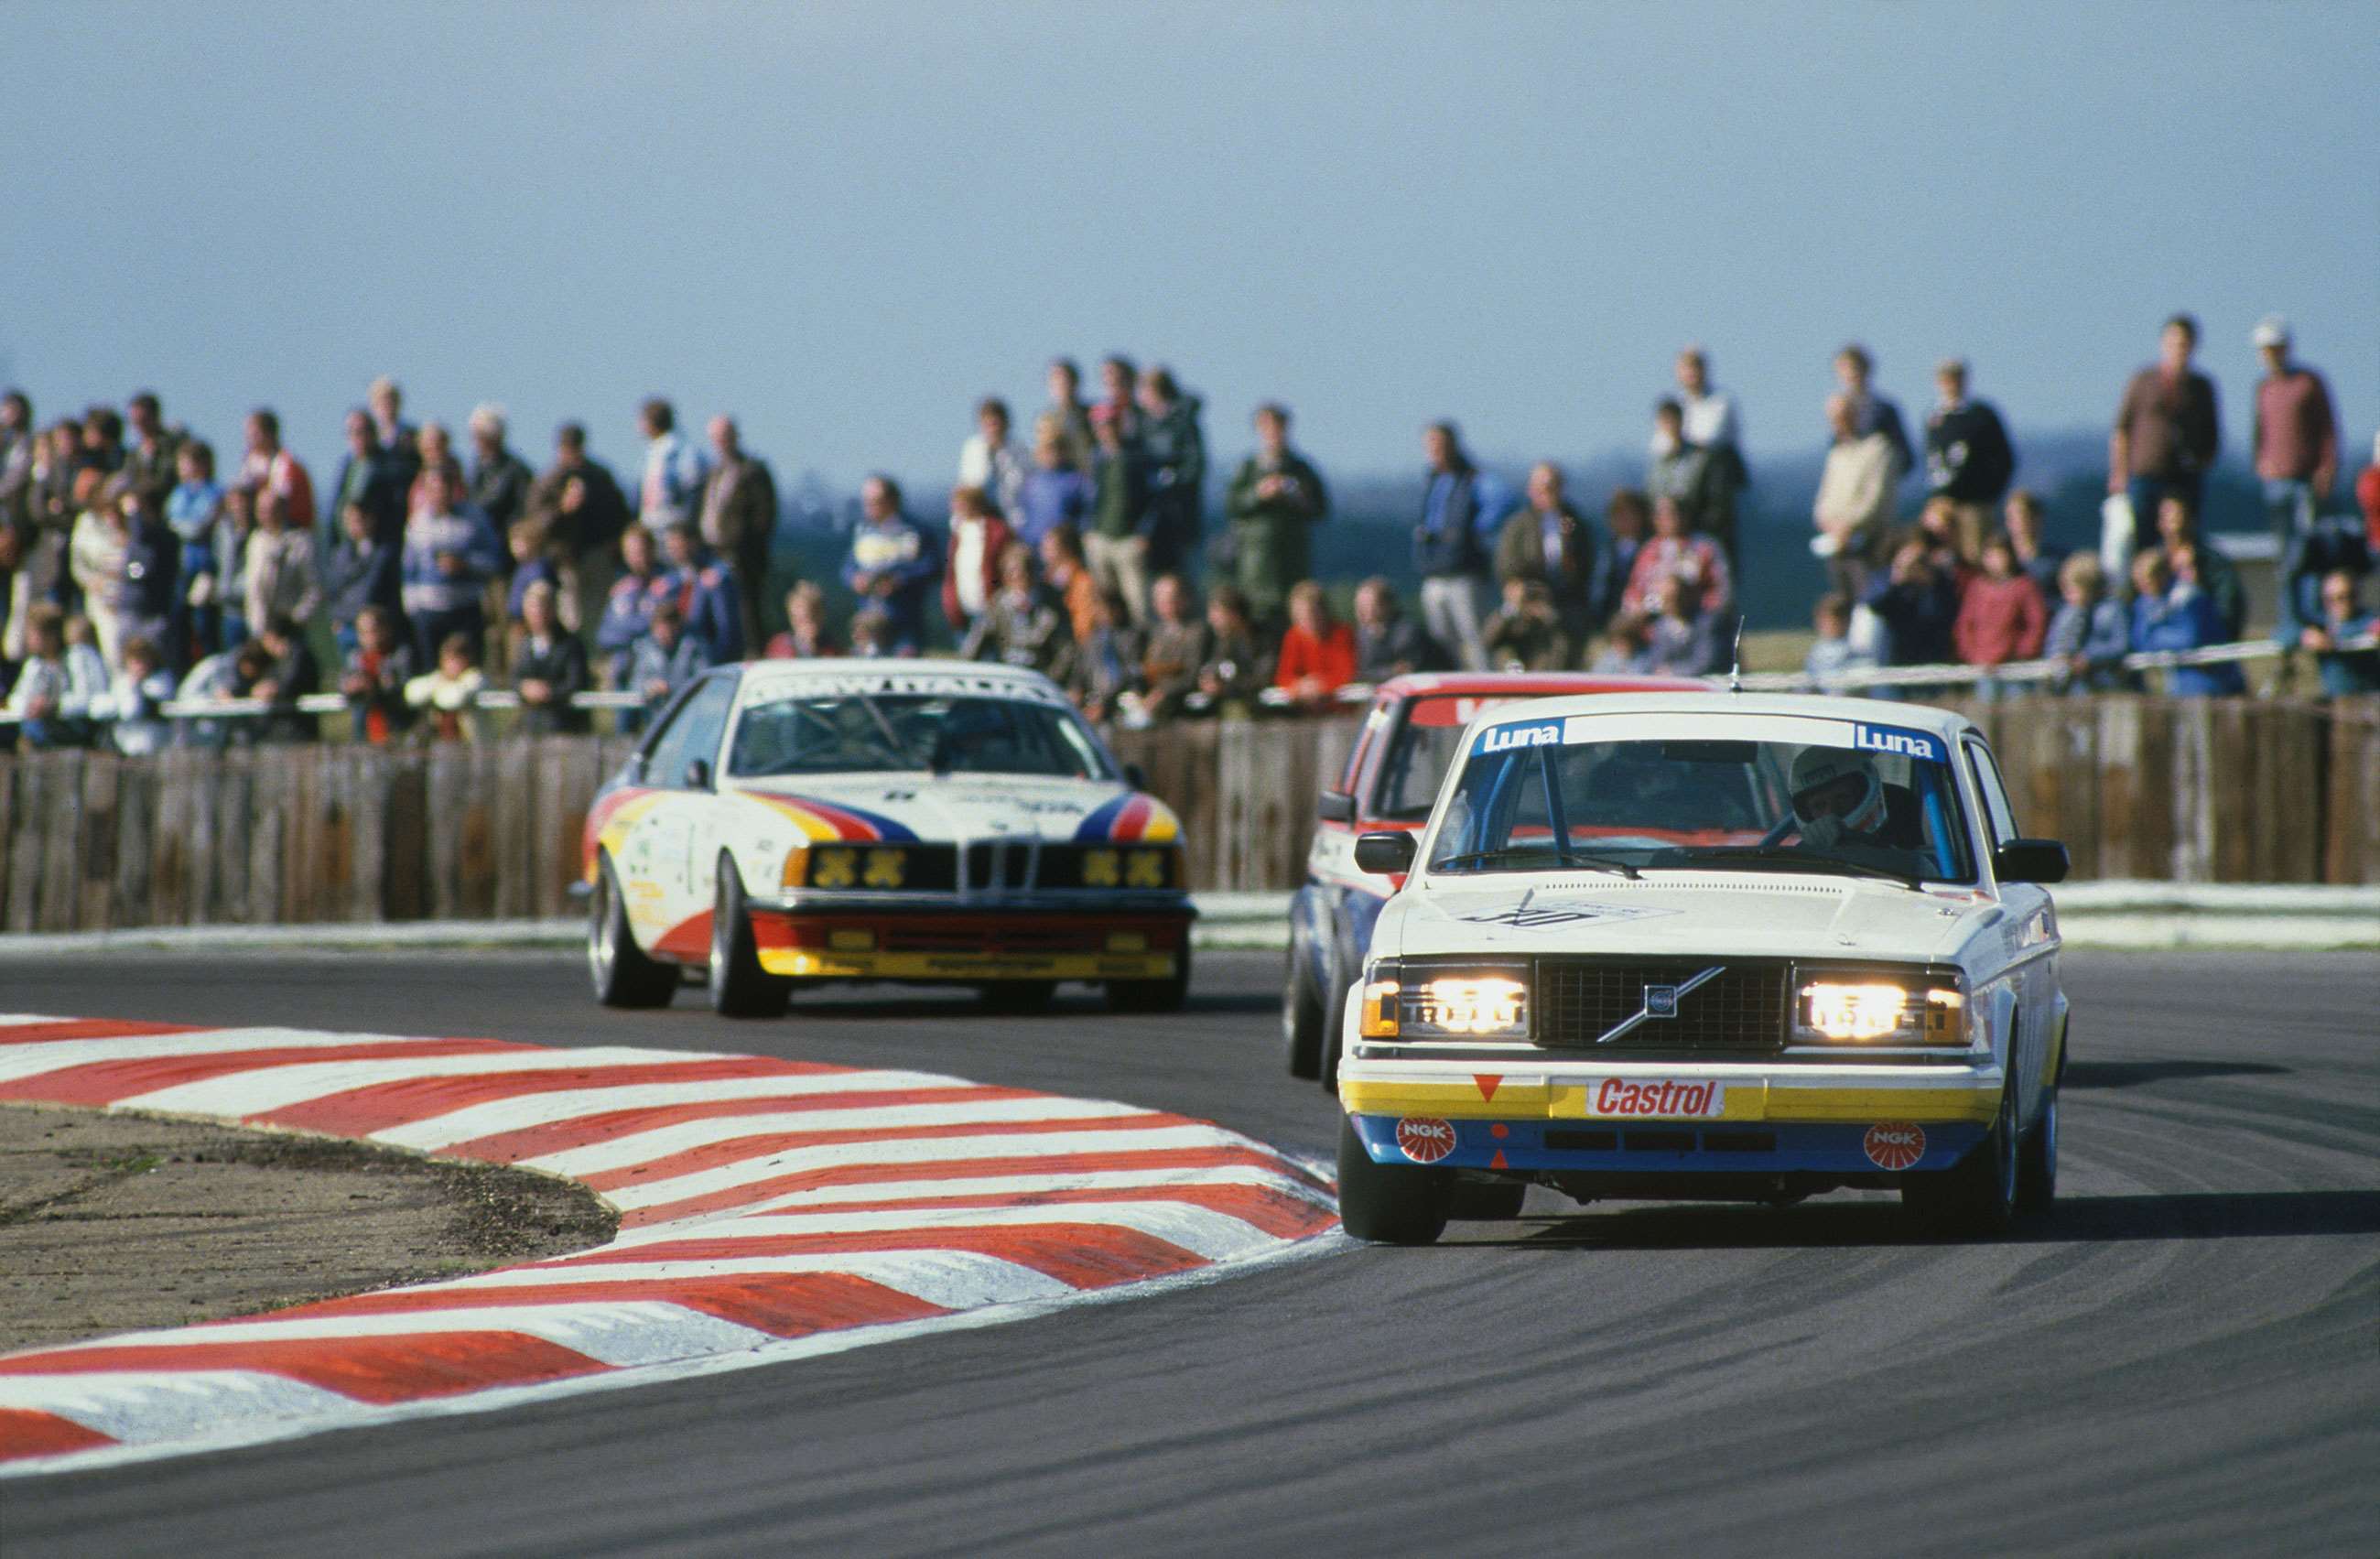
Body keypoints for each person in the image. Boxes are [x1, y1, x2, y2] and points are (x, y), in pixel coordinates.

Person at [2110, 314, 2220, 551]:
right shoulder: (2143, 380)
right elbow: (2122, 428)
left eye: (2184, 344)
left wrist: (2204, 461)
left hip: (2185, 475)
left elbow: (2212, 430)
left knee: (2186, 538)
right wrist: (2119, 472)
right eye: (2174, 343)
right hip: (2145, 474)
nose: (2178, 349)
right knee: (2141, 537)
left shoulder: (2201, 386)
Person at [1412, 421, 1515, 672]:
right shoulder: (1433, 481)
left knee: (1477, 637)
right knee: (1443, 642)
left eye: (1439, 445)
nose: (1434, 451)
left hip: (1464, 573)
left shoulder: (1473, 479)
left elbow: (1505, 499)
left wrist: (1474, 529)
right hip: (1435, 571)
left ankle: (1487, 686)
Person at [1222, 402, 1329, 629]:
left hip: (1292, 556)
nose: (1274, 433)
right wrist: (1259, 494)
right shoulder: (1248, 468)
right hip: (1256, 560)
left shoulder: (1301, 468)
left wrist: (1298, 496)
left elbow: (1320, 509)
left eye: (1278, 427)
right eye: (1267, 427)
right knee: (1258, 617)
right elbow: (1231, 505)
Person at [526, 421, 633, 631]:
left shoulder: (599, 476)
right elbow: (536, 524)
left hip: (599, 556)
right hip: (566, 561)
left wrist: (614, 543)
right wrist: (563, 508)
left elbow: (620, 512)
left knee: (601, 617)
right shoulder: (548, 480)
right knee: (573, 619)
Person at [2248, 315, 2339, 547]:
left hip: (2305, 478)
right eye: (2266, 350)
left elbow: (2327, 428)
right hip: (2275, 479)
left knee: (2308, 542)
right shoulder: (2264, 388)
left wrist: (2326, 468)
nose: (2271, 355)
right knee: (2282, 544)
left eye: (2276, 348)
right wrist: (2260, 462)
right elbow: (2259, 431)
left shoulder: (2308, 383)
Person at [399, 464, 502, 667]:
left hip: (466, 608)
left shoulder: (475, 519)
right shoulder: (417, 524)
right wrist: (414, 610)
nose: (440, 494)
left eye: (444, 488)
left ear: (453, 488)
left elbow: (495, 561)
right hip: (429, 612)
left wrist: (466, 564)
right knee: (431, 672)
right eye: (434, 489)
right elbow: (409, 571)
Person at [1496, 461, 1596, 653]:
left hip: (1567, 601)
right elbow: (1507, 567)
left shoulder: (1575, 523)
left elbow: (1584, 568)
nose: (1547, 493)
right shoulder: (1518, 526)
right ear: (1531, 490)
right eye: (1542, 488)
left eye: (1552, 487)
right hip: (1527, 597)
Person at [1923, 360, 2018, 564]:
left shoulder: (1980, 415)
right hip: (1943, 502)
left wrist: (1989, 494)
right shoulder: (1934, 417)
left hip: (1976, 503)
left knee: (1975, 556)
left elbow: (2004, 458)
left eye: (1955, 378)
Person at [698, 416, 777, 641]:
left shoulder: (752, 471)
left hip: (743, 556)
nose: (721, 442)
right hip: (711, 552)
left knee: (747, 610)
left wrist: (741, 545)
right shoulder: (713, 472)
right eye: (716, 438)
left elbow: (764, 516)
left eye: (725, 436)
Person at [840, 475, 939, 654]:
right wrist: (855, 579)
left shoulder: (916, 532)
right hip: (869, 621)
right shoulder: (863, 531)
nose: (868, 507)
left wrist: (900, 580)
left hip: (905, 620)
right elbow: (847, 568)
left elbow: (932, 567)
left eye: (875, 501)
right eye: (866, 501)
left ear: (893, 500)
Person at [1812, 391, 1897, 599]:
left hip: (1869, 542)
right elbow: (1824, 498)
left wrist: (1849, 525)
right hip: (1836, 543)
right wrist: (1828, 522)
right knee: (1843, 599)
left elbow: (1876, 498)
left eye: (1843, 416)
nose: (1838, 423)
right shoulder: (1837, 453)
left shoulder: (1878, 448)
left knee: (1870, 601)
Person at [2130, 548, 2243, 697]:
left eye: (2147, 582)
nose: (2144, 589)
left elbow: (2188, 640)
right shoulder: (2146, 601)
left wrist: (2154, 637)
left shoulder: (2187, 597)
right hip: (2178, 683)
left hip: (2211, 680)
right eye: (2139, 584)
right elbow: (2139, 641)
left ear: (2163, 575)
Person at [1953, 532, 2050, 698]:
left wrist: (2023, 652)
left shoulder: (2024, 586)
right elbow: (1965, 624)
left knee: (2017, 712)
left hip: (2014, 668)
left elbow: (2037, 622)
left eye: (2000, 555)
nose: (1996, 561)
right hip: (1983, 667)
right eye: (1990, 556)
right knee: (1984, 712)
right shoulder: (1977, 587)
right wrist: (1973, 655)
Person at [1669, 346, 1747, 549]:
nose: (1691, 374)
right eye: (1686, 368)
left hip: (1714, 487)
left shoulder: (1721, 401)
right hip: (1683, 487)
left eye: (1695, 367)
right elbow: (1661, 444)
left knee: (1717, 543)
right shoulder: (1676, 403)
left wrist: (1680, 438)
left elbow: (1711, 438)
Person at [1084, 405, 1152, 625]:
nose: (1107, 430)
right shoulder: (1096, 459)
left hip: (1130, 538)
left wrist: (1145, 531)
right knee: (1105, 602)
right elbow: (1090, 498)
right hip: (1100, 537)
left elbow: (1153, 497)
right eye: (1101, 426)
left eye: (1111, 424)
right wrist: (1088, 530)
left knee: (1137, 604)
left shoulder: (1137, 456)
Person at [960, 541, 1068, 677]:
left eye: (1023, 576)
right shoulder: (998, 605)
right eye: (1012, 576)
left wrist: (1050, 679)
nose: (1019, 582)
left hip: (1041, 677)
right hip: (1009, 677)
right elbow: (974, 645)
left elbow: (1065, 651)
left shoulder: (1050, 607)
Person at [5, 605, 107, 749]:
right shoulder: (34, 664)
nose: (29, 640)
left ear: (52, 636)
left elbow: (87, 700)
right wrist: (31, 705)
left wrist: (53, 706)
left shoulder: (77, 658)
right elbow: (18, 698)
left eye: (34, 634)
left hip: (77, 727)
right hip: (44, 728)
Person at [1136, 366, 1206, 570]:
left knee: (1183, 573)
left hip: (1179, 514)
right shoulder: (1143, 425)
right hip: (1152, 517)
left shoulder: (1183, 423)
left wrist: (1173, 478)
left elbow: (1196, 464)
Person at [1622, 495, 1732, 620]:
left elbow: (1722, 592)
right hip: (1653, 621)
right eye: (1661, 514)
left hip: (1697, 618)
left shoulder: (1705, 547)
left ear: (1685, 515)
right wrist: (1644, 608)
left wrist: (1692, 603)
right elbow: (1634, 591)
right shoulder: (1648, 551)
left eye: (1672, 513)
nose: (1667, 519)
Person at [2154, 493, 2245, 641]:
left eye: (2178, 515)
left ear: (2190, 520)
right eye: (2167, 516)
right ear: (2159, 523)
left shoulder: (2212, 562)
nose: (2174, 521)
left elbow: (2229, 605)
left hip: (2205, 637)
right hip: (2164, 638)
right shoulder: (2153, 562)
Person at [1864, 535, 1959, 672]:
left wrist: (1929, 584)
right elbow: (1875, 605)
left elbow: (1943, 614)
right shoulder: (1884, 578)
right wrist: (1897, 580)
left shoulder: (1938, 581)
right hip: (1893, 657)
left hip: (1929, 657)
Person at [2043, 553, 2135, 694]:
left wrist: (2090, 657)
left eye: (2073, 590)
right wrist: (2061, 656)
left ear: (2090, 586)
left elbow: (2120, 645)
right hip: (2075, 689)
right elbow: (2053, 642)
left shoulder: (2112, 610)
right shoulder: (2066, 614)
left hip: (2107, 684)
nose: (2068, 596)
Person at [113, 481, 180, 668]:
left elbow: (139, 571)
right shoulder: (137, 537)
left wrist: (133, 512)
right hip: (131, 611)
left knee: (156, 671)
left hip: (152, 616)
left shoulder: (162, 537)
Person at [243, 483, 320, 647]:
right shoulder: (256, 541)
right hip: (261, 627)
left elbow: (314, 586)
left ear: (283, 510)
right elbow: (252, 588)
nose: (267, 515)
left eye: (272, 509)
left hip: (291, 627)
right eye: (262, 510)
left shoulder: (301, 541)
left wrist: (298, 618)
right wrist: (260, 630)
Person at [596, 525, 672, 686]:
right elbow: (604, 635)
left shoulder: (668, 583)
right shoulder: (622, 589)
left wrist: (628, 628)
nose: (638, 558)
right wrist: (639, 629)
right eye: (631, 553)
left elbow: (662, 628)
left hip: (658, 671)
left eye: (641, 551)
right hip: (624, 668)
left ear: (652, 550)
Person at [512, 579, 590, 734]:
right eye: (532, 608)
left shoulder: (571, 644)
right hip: (532, 727)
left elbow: (576, 681)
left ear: (553, 609)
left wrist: (548, 692)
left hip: (565, 727)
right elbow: (514, 677)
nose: (537, 613)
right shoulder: (525, 644)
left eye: (543, 607)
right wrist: (525, 688)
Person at [1131, 572, 1213, 722]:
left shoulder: (1198, 632)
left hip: (1182, 707)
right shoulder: (1152, 633)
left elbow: (1192, 674)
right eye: (1160, 598)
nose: (1165, 603)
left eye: (1171, 598)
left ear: (1185, 599)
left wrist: (1161, 693)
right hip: (1150, 705)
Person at [68, 471, 128, 665]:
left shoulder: (120, 519)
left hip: (121, 594)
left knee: (117, 648)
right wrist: (89, 581)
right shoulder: (84, 522)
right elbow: (77, 563)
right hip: (95, 594)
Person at [941, 484, 1014, 639]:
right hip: (963, 608)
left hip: (990, 607)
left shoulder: (997, 532)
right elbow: (951, 573)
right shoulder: (959, 533)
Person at [1013, 414, 1094, 553]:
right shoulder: (1031, 483)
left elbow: (1087, 516)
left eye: (1057, 448)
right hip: (1036, 553)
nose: (1052, 453)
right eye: (1047, 448)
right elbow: (1024, 518)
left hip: (1067, 553)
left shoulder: (1077, 481)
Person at [1646, 398, 1721, 547]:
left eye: (1673, 420)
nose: (1670, 425)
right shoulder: (1658, 463)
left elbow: (1714, 500)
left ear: (1682, 421)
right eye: (1665, 421)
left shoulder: (1701, 458)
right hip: (1665, 536)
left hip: (1697, 533)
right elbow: (1652, 496)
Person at [2292, 569, 2380, 697]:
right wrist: (2304, 635)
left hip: (2371, 699)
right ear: (2325, 600)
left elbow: (2367, 626)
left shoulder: (2367, 618)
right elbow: (2287, 635)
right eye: (2333, 599)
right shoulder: (2320, 623)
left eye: (2348, 596)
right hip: (2336, 703)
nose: (2342, 603)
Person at [328, 406, 408, 546]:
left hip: (379, 546)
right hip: (347, 547)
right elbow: (337, 505)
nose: (357, 437)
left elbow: (396, 508)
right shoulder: (347, 466)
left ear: (374, 433)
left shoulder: (389, 466)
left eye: (361, 431)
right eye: (351, 432)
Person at [338, 604, 416, 743]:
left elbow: (404, 689)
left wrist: (375, 686)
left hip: (397, 730)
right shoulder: (355, 658)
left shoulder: (400, 656)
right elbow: (343, 685)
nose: (369, 637)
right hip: (366, 732)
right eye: (363, 632)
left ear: (386, 630)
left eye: (373, 631)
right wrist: (351, 687)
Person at [1272, 579, 1356, 707]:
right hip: (1304, 712)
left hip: (1341, 710)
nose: (1307, 620)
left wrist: (1319, 685)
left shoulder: (1342, 634)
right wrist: (1300, 686)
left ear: (1324, 611)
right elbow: (1284, 677)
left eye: (1312, 613)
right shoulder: (1293, 637)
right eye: (1301, 616)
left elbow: (1348, 674)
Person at [1834, 344, 1912, 476]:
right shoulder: (1838, 410)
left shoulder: (1885, 410)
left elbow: (1906, 457)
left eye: (1853, 368)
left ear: (1866, 369)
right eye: (1843, 369)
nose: (1850, 374)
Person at [635, 397, 708, 535]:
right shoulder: (652, 453)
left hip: (674, 526)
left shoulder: (681, 452)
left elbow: (693, 490)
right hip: (652, 526)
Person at [1066, 590, 1139, 724]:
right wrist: (1075, 694)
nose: (1103, 613)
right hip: (1093, 699)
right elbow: (1079, 675)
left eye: (1108, 608)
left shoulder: (1133, 636)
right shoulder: (1090, 641)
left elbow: (1130, 673)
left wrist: (1104, 704)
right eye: (1098, 608)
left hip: (1122, 700)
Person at [1194, 584, 1268, 715]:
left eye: (1216, 613)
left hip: (1262, 714)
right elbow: (1216, 668)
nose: (1211, 620)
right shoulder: (1225, 642)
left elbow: (1262, 679)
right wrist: (1208, 680)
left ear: (1234, 614)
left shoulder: (1263, 640)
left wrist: (1225, 688)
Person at [468, 405, 536, 547]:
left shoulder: (516, 470)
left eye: (480, 435)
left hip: (505, 543)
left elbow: (523, 509)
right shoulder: (476, 469)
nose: (476, 441)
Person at [1351, 576, 1440, 683]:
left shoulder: (1407, 631)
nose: (1360, 611)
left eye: (1367, 605)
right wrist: (1390, 671)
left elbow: (1407, 670)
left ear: (1386, 605)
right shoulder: (1363, 633)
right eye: (1359, 605)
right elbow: (1362, 671)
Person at [238, 408, 315, 531]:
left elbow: (282, 499)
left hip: (291, 529)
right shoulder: (250, 462)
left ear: (268, 434)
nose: (249, 439)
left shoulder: (287, 464)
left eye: (254, 434)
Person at [249, 612, 321, 742]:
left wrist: (272, 689)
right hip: (282, 732)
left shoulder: (298, 655)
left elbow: (290, 684)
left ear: (271, 636)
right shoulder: (276, 661)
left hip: (298, 732)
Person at [103, 633, 178, 756]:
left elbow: (134, 711)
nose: (140, 666)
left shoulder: (162, 682)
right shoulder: (121, 683)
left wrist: (135, 689)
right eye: (136, 661)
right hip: (125, 744)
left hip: (154, 745)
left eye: (144, 660)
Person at [405, 632, 488, 742]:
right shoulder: (438, 678)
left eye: (457, 660)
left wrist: (438, 689)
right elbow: (412, 695)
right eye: (449, 659)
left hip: (473, 748)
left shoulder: (476, 678)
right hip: (441, 745)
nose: (452, 665)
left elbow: (455, 699)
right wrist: (439, 684)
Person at [957, 396, 1027, 521]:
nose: (993, 429)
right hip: (981, 517)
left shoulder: (1019, 451)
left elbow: (1023, 485)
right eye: (988, 424)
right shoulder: (973, 449)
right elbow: (968, 484)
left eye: (996, 424)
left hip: (1012, 518)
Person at [1591, 489, 1650, 631]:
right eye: (1618, 514)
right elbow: (1598, 591)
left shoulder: (1650, 548)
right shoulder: (1607, 550)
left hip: (1641, 618)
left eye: (1630, 514)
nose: (1624, 519)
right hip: (1609, 619)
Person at [1482, 578, 1569, 671]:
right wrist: (1512, 608)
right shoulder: (1507, 617)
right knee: (1505, 652)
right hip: (1514, 669)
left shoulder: (1548, 622)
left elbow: (1561, 644)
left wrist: (1548, 617)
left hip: (1541, 668)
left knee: (1555, 648)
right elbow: (1488, 640)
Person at [2002, 490, 2067, 609]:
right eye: (2011, 517)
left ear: (2037, 519)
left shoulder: (2057, 561)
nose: (2018, 522)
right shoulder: (1998, 559)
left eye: (2023, 516)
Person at [1645, 574, 1720, 677]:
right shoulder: (1661, 626)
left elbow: (1704, 664)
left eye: (1674, 597)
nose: (1671, 603)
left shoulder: (1705, 623)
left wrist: (1672, 672)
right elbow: (1656, 662)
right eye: (1665, 599)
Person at [211, 482, 256, 651]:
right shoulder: (223, 529)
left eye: (242, 502)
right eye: (234, 502)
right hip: (228, 606)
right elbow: (218, 560)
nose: (238, 507)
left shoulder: (258, 531)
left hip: (252, 606)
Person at [1805, 593, 1879, 693]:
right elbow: (1808, 682)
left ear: (1846, 621)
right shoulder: (1816, 652)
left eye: (1833, 621)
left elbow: (1867, 675)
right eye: (1822, 620)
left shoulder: (1856, 647)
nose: (1826, 625)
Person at [122, 392, 183, 513]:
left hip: (164, 507)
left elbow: (166, 479)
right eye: (135, 421)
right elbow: (128, 477)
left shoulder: (171, 446)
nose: (139, 425)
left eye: (143, 420)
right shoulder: (134, 453)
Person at [1040, 525, 1100, 644]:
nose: (1043, 551)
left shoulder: (1083, 582)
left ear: (1066, 550)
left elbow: (1084, 628)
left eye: (1049, 547)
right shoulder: (1046, 578)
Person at [367, 376, 421, 498]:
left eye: (391, 400)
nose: (387, 405)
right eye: (381, 401)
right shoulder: (370, 439)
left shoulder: (411, 436)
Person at [1042, 357, 1095, 472]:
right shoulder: (1047, 421)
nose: (1063, 386)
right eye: (1057, 382)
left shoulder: (1091, 414)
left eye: (1066, 381)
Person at [764, 580, 838, 659]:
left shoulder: (831, 649)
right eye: (801, 620)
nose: (808, 625)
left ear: (822, 615)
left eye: (813, 616)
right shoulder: (780, 648)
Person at [1590, 611, 1657, 675]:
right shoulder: (1605, 661)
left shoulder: (1644, 661)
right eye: (1616, 642)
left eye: (1623, 643)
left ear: (1632, 642)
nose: (1619, 646)